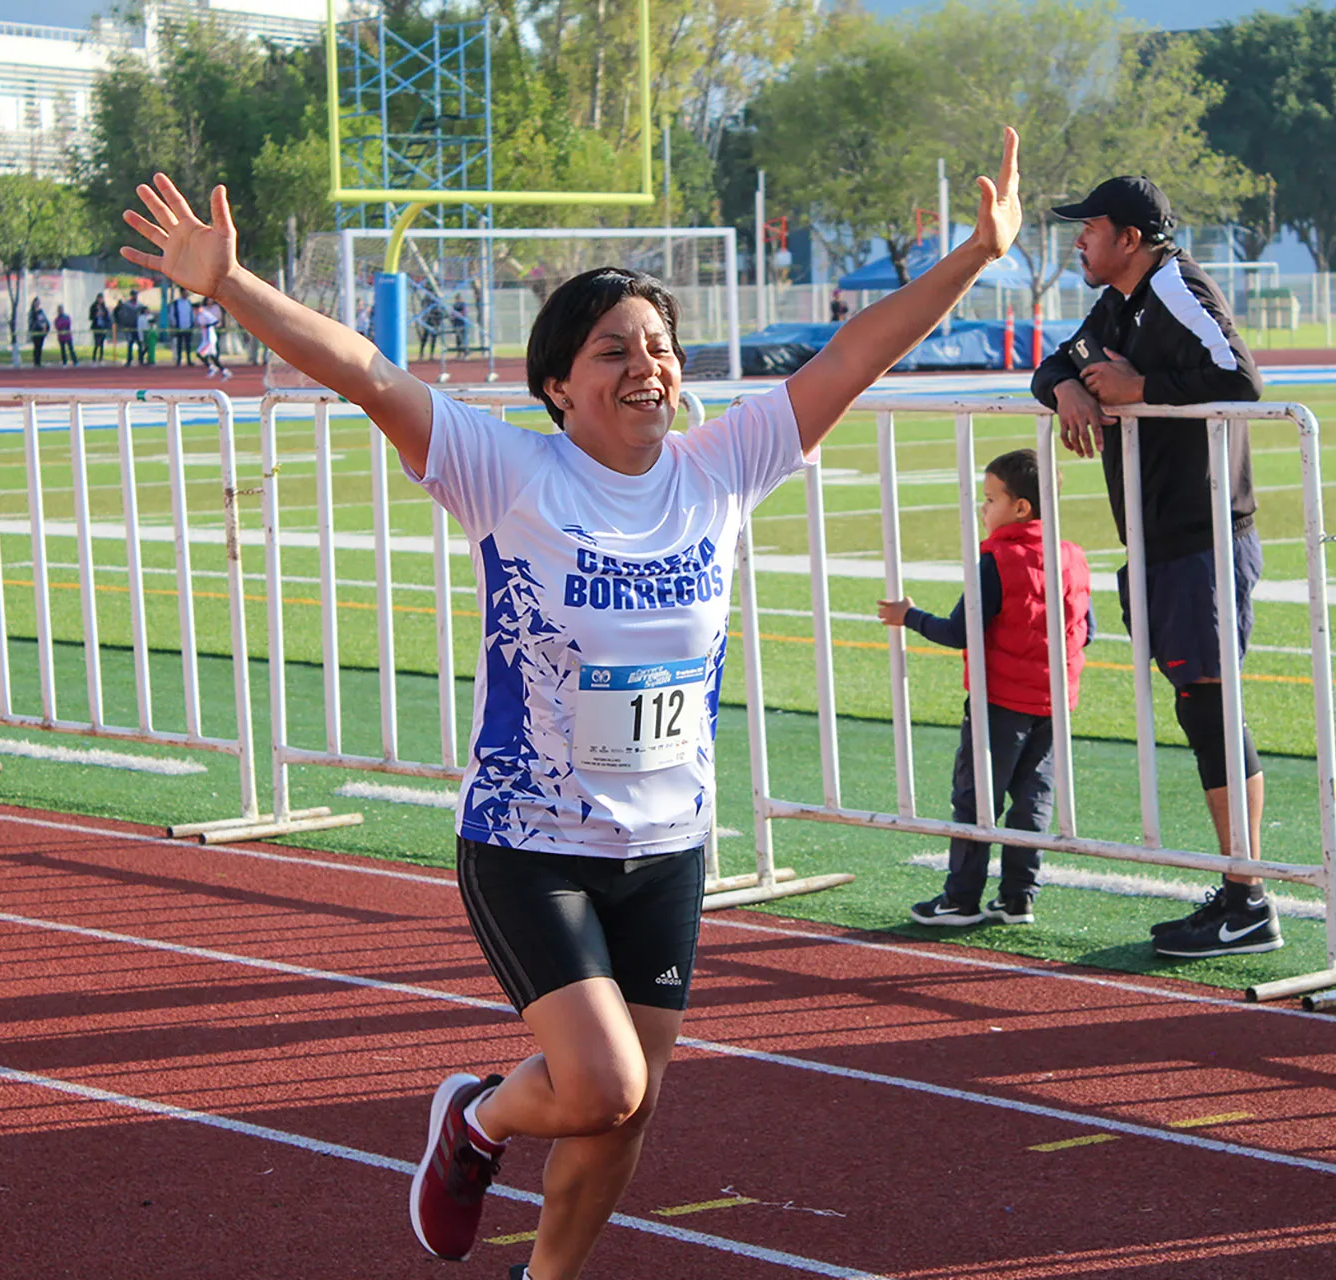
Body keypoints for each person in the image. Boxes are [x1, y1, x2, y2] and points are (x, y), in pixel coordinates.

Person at [120, 128, 1021, 1280]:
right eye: (613, 350)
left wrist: (974, 258)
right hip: (530, 840)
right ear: (559, 383)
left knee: (625, 1115)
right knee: (602, 1082)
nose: (646, 365)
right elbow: (364, 369)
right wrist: (231, 283)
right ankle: (478, 1119)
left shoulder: (725, 464)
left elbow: (855, 355)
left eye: (658, 346)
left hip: (670, 841)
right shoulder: (508, 471)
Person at [1031, 174, 1276, 960]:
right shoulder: (1121, 303)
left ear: (1130, 237)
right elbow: (1054, 361)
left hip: (1202, 534)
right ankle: (1241, 891)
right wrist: (1068, 385)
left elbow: (1243, 383)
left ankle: (1250, 899)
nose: (1079, 240)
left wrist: (1143, 389)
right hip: (1161, 537)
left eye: (1091, 228)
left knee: (1211, 709)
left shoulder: (1174, 287)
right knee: (1198, 708)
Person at [878, 448, 1092, 927]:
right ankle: (1019, 896)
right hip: (1053, 700)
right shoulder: (1072, 556)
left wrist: (907, 616)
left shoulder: (999, 559)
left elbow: (960, 631)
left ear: (1021, 508)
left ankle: (961, 898)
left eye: (990, 498)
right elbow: (1086, 629)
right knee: (1033, 798)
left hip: (1000, 701)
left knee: (976, 799)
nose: (983, 508)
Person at [194, 297, 230, 379]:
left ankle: (214, 368)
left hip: (210, 339)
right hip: (205, 339)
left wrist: (206, 326)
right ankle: (223, 371)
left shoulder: (206, 314)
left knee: (200, 353)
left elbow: (216, 322)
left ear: (200, 308)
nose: (194, 312)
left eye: (196, 309)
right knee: (211, 356)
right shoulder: (199, 316)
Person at [166, 289, 196, 365]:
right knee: (179, 344)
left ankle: (189, 360)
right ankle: (178, 360)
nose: (186, 294)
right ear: (181, 293)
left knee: (188, 344)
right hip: (179, 327)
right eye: (185, 293)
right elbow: (171, 315)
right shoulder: (176, 303)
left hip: (188, 326)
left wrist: (192, 323)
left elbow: (191, 314)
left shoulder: (189, 303)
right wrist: (174, 324)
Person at [116, 291, 141, 365]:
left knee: (140, 343)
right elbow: (122, 315)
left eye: (135, 295)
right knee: (130, 343)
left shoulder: (139, 305)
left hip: (138, 327)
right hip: (130, 326)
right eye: (133, 295)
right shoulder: (127, 305)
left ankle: (141, 359)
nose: (134, 297)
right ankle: (129, 359)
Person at [89, 294, 112, 362]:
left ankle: (101, 357)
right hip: (96, 327)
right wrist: (96, 314)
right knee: (96, 342)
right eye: (99, 298)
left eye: (101, 298)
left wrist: (103, 314)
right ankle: (94, 357)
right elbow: (90, 317)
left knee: (101, 343)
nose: (100, 300)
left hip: (102, 326)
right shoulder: (93, 307)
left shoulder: (104, 307)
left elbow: (107, 316)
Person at [28, 297, 50, 367]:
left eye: (38, 302)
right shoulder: (32, 312)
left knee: (40, 348)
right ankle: (36, 362)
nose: (37, 303)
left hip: (41, 333)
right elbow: (31, 323)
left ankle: (39, 362)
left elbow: (45, 321)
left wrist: (46, 327)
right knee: (36, 347)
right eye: (36, 302)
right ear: (33, 303)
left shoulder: (41, 311)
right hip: (35, 332)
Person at [137, 301, 159, 365]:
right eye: (146, 310)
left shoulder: (151, 316)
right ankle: (141, 360)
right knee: (143, 348)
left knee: (150, 349)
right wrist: (141, 337)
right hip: (144, 334)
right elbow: (139, 327)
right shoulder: (140, 318)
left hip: (150, 334)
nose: (148, 311)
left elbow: (154, 325)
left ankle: (149, 360)